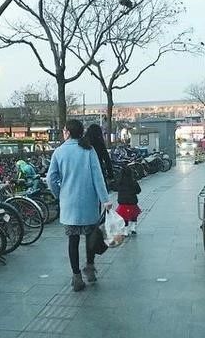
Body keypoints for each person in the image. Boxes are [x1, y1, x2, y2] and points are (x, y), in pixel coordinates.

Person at [47, 119, 112, 292]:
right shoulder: (88, 150)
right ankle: (90, 268)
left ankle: (76, 277)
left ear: (67, 132)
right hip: (89, 203)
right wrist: (105, 199)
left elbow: (51, 179)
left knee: (73, 240)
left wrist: (60, 194)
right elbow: (98, 177)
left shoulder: (59, 152)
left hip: (69, 204)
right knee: (91, 237)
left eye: (64, 130)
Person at [84, 124, 114, 189]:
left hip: (85, 173)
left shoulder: (83, 144)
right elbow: (107, 160)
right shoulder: (100, 144)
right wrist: (110, 175)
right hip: (99, 171)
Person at [116, 165, 141, 235]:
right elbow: (138, 190)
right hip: (132, 203)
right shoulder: (133, 182)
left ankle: (125, 230)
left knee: (124, 217)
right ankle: (133, 228)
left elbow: (115, 189)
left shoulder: (119, 182)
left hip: (122, 204)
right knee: (134, 215)